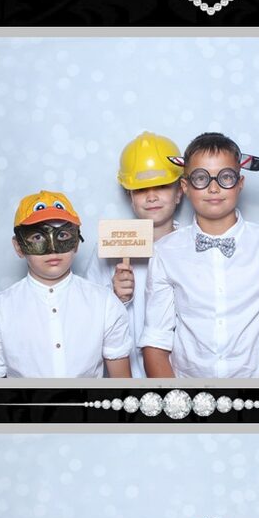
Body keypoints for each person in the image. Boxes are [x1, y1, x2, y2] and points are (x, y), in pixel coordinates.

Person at [141, 132, 259, 380]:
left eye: (226, 177)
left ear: (240, 183)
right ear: (185, 187)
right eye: (201, 178)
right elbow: (155, 340)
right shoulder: (165, 252)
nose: (213, 188)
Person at [0, 191, 132, 379]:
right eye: (37, 237)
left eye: (62, 235)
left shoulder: (105, 303)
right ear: (18, 246)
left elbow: (122, 382)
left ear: (76, 242)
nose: (53, 249)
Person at [90, 132, 186, 378]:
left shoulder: (193, 247)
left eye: (162, 186)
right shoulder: (108, 248)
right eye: (141, 189)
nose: (152, 196)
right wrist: (115, 298)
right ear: (129, 195)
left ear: (179, 191)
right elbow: (86, 324)